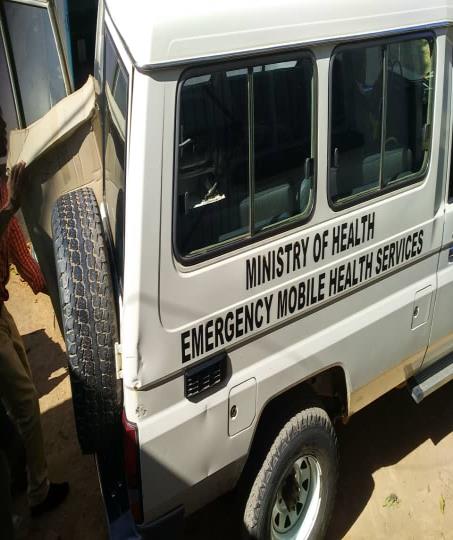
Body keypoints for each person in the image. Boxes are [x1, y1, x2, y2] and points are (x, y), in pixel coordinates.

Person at [0, 109, 69, 521]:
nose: (5, 137)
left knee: (18, 390)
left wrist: (54, 287)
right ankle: (38, 492)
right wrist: (12, 205)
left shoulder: (4, 185)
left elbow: (19, 254)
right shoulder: (7, 195)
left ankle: (16, 471)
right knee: (26, 402)